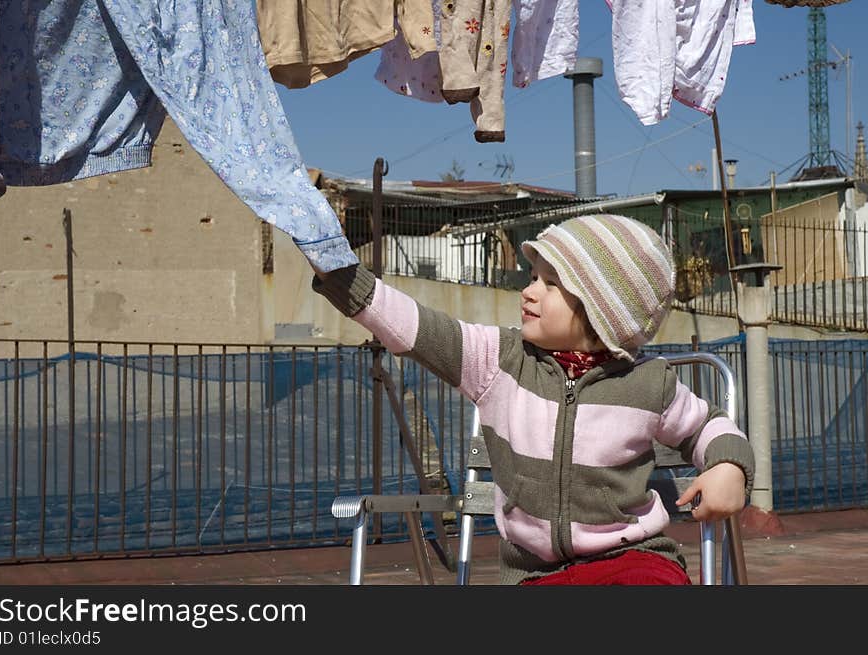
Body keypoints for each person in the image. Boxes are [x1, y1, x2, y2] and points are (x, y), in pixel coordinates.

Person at [310, 213, 754, 585]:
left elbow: (707, 425)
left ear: (604, 308)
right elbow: (417, 328)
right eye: (533, 277)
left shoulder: (648, 383)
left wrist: (729, 466)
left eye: (551, 283)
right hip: (534, 574)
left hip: (633, 560)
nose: (529, 291)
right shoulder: (499, 362)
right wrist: (337, 270)